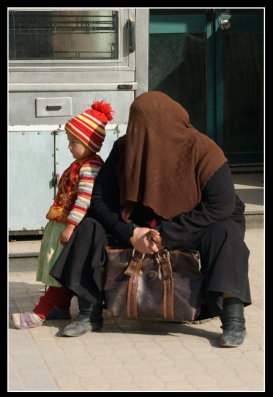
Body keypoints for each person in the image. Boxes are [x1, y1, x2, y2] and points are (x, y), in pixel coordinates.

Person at [50, 91, 251, 347]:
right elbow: (100, 200)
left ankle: (233, 319)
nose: (137, 132)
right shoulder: (126, 147)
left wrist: (165, 234)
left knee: (226, 233)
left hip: (190, 226)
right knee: (89, 227)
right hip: (137, 226)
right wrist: (131, 233)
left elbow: (220, 206)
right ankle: (89, 313)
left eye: (142, 126)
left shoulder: (204, 150)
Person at [11, 100, 114, 329]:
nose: (69, 146)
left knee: (59, 271)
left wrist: (70, 226)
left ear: (88, 142)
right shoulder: (81, 163)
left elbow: (84, 201)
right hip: (62, 224)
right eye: (68, 141)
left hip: (71, 227)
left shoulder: (90, 167)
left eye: (73, 142)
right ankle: (61, 308)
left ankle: (39, 313)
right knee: (59, 269)